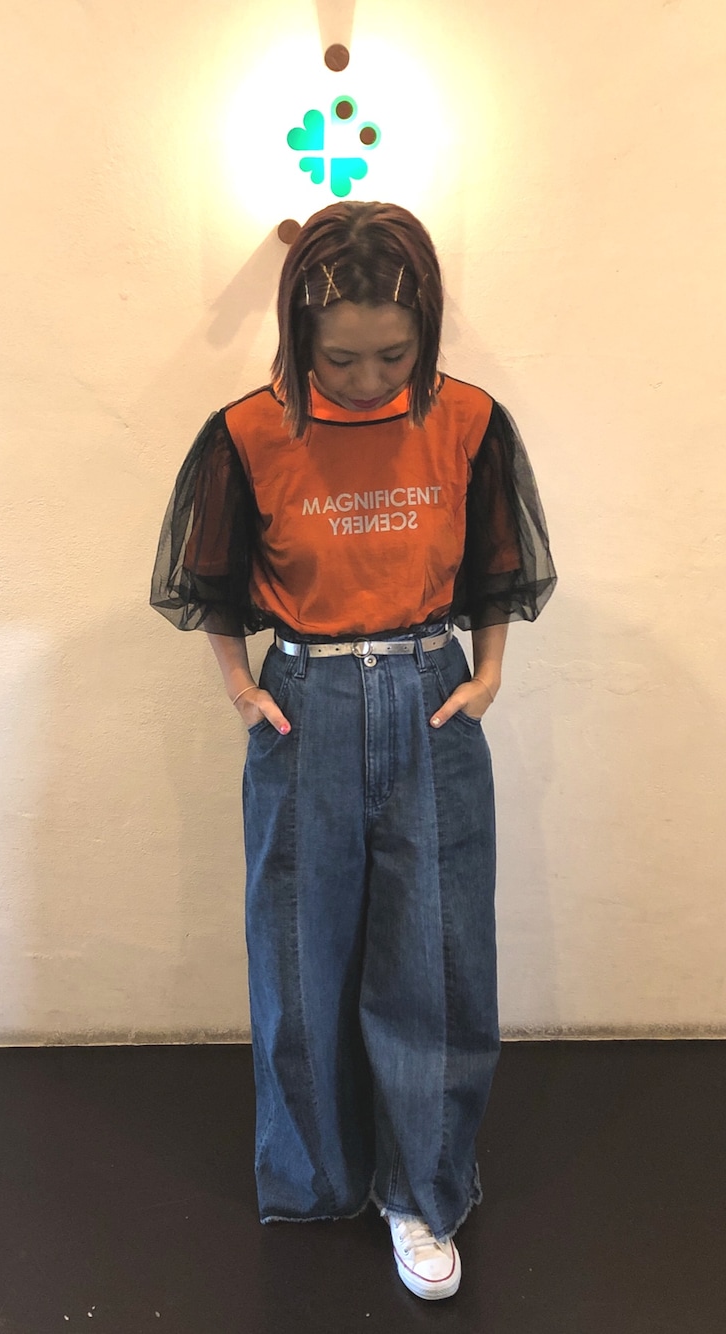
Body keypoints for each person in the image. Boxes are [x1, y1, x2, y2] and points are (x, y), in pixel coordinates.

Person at [151, 201, 556, 1300]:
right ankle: (316, 1177)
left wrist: (487, 670)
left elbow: (497, 563)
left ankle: (422, 1188)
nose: (370, 378)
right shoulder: (248, 433)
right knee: (299, 950)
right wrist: (241, 687)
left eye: (394, 354)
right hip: (307, 702)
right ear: (298, 334)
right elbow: (212, 577)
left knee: (434, 956)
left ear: (427, 330)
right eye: (341, 358)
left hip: (430, 697)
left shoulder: (467, 421)